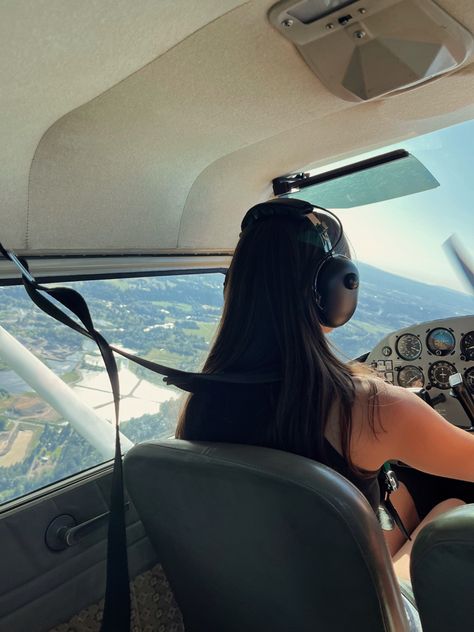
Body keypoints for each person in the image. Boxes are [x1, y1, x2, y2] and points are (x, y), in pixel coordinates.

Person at [175, 198, 474, 580]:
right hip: (363, 612)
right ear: (336, 291)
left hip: (276, 589)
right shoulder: (369, 406)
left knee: (410, 498)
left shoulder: (203, 401)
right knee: (450, 504)